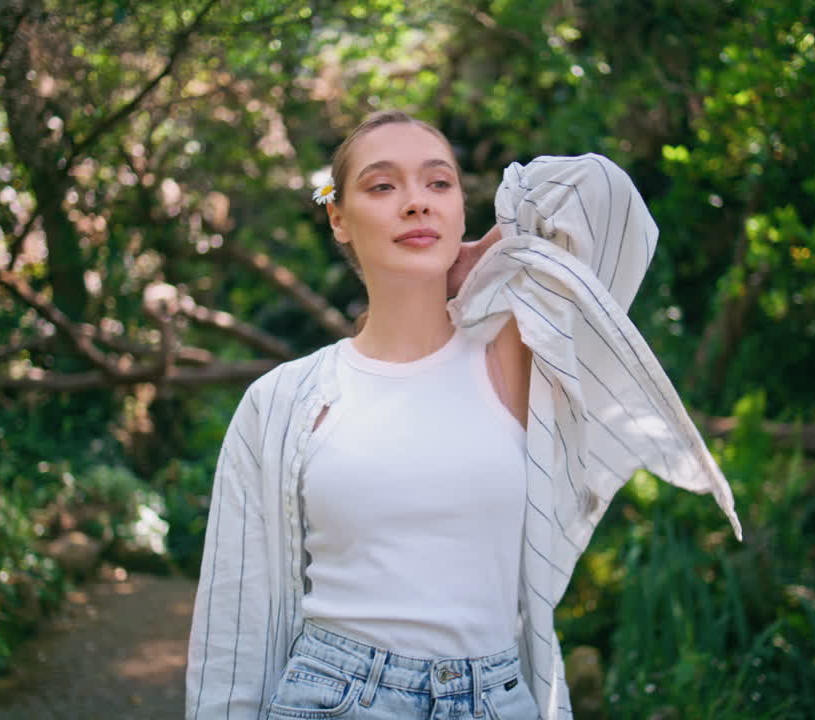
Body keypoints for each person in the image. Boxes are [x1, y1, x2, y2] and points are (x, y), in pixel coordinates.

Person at [185, 110, 742, 720]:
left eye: (438, 183)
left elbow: (603, 192)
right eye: (382, 185)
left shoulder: (514, 357)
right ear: (338, 218)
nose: (416, 203)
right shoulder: (283, 400)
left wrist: (492, 252)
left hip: (497, 698)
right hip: (337, 696)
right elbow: (234, 619)